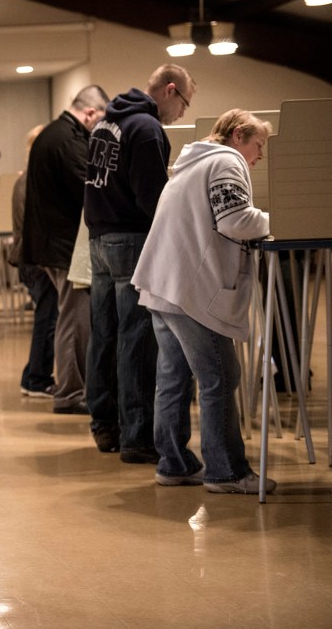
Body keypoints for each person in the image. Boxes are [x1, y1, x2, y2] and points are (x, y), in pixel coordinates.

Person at [132, 110, 276, 494]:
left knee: (174, 377)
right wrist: (278, 219)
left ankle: (174, 463)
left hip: (163, 283)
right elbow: (234, 219)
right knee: (220, 375)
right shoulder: (227, 161)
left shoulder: (191, 162)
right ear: (239, 134)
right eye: (258, 145)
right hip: (189, 290)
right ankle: (226, 471)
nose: (259, 156)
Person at [84, 64, 196, 463]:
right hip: (131, 239)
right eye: (184, 102)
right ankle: (136, 436)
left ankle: (103, 423)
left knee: (104, 333)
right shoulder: (147, 130)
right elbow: (154, 197)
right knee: (135, 337)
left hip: (98, 239)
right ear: (169, 90)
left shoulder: (104, 124)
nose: (182, 112)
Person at [22, 85, 110, 413]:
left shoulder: (55, 134)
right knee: (74, 318)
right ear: (89, 112)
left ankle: (74, 389)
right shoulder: (66, 139)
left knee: (72, 315)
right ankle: (71, 393)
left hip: (54, 242)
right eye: (99, 119)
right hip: (61, 245)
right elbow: (88, 187)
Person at [9, 124, 57, 398]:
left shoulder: (25, 178)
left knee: (46, 318)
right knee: (47, 320)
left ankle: (33, 375)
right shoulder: (36, 179)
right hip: (38, 260)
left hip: (29, 258)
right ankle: (37, 378)